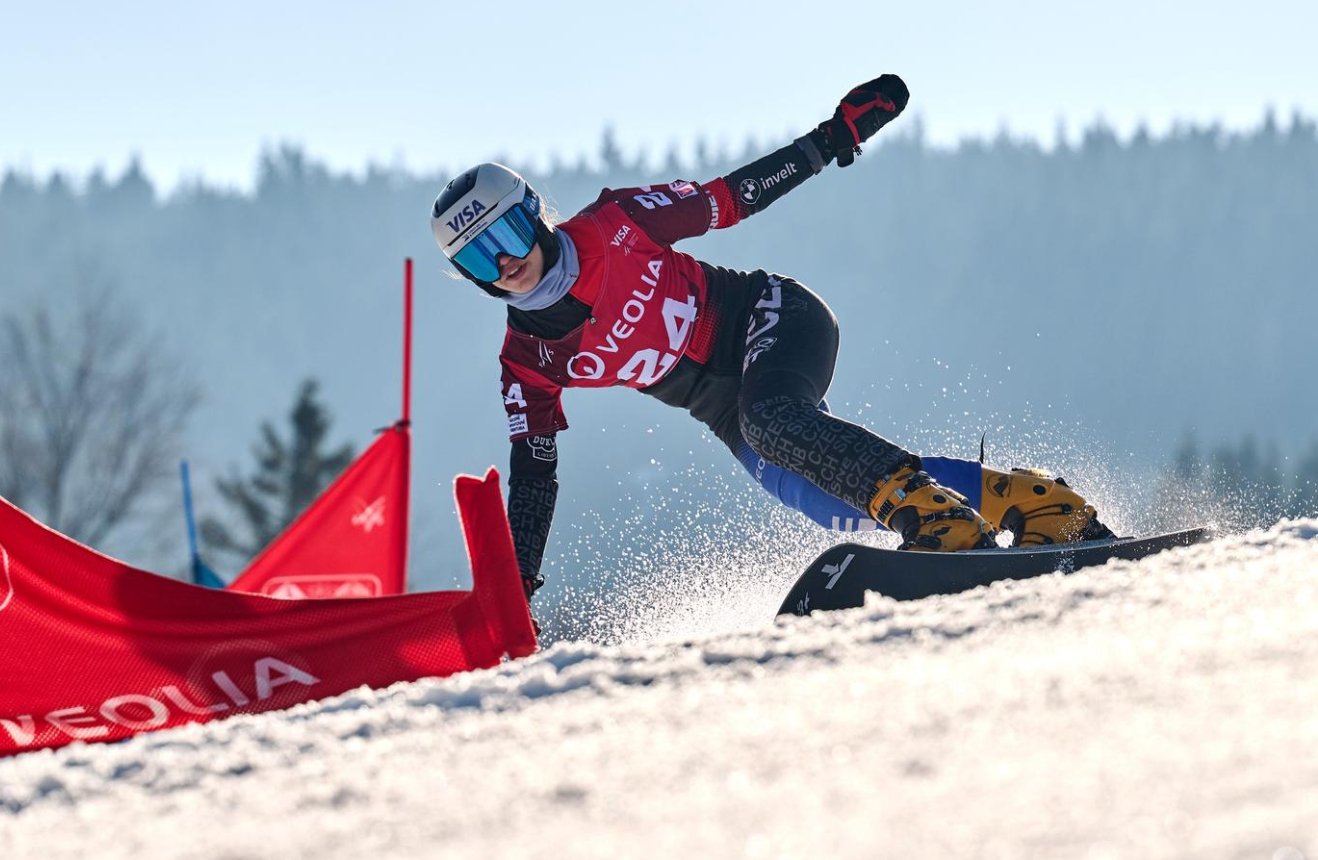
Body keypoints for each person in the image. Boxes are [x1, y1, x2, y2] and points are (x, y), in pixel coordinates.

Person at [429, 74, 1113, 604]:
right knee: (829, 503)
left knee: (775, 423)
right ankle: (1035, 504)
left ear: (533, 216)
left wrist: (830, 139)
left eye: (507, 236)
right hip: (724, 409)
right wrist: (517, 584)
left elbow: (733, 196)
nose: (504, 263)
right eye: (477, 259)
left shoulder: (617, 223)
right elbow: (535, 473)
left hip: (772, 315)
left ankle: (944, 525)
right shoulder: (525, 364)